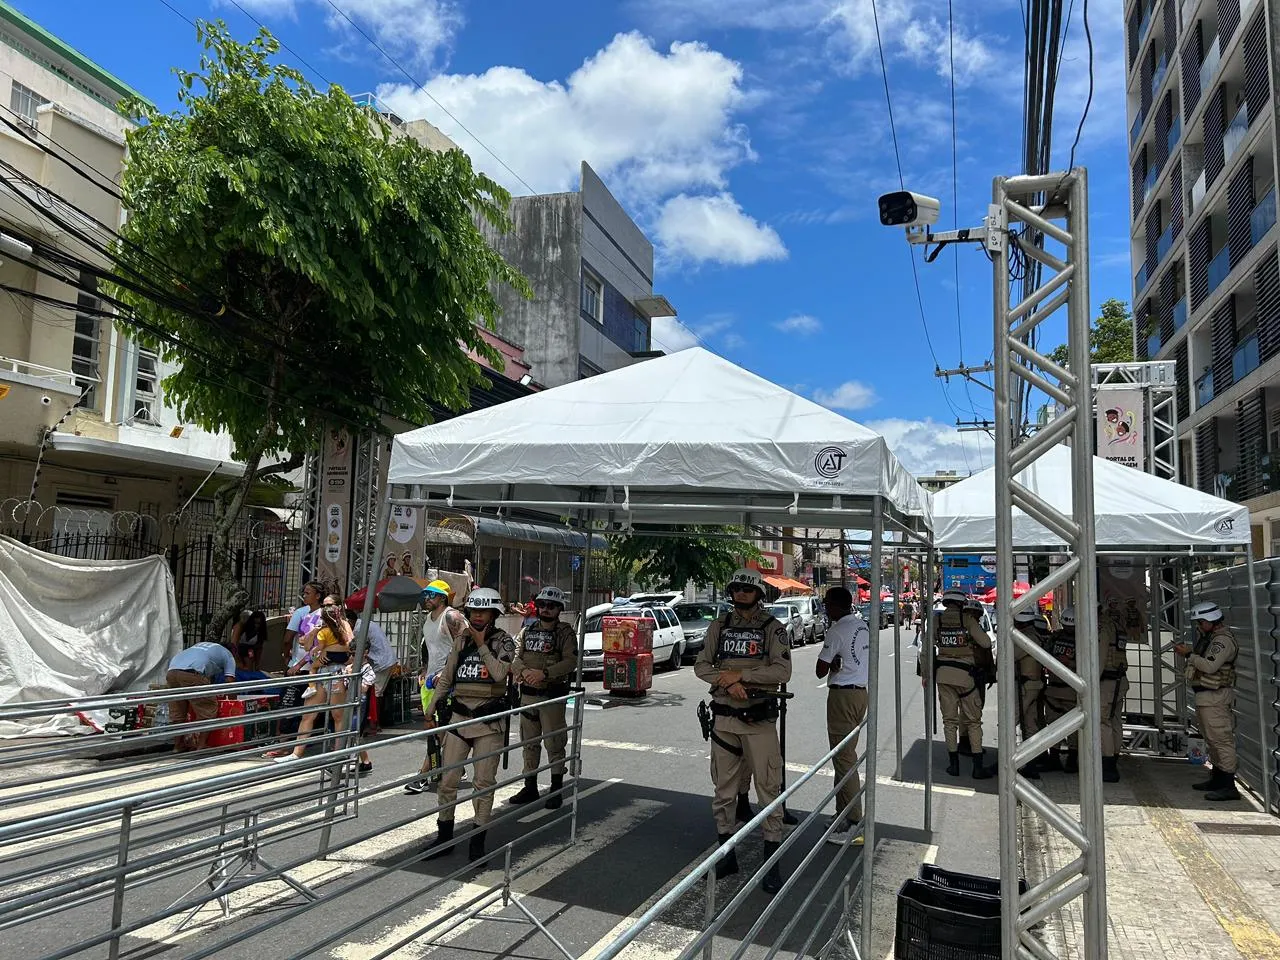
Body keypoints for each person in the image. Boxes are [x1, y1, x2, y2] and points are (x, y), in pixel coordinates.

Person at [694, 567, 792, 895]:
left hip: (758, 722)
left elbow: (782, 670)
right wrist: (726, 682)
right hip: (724, 719)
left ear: (758, 594)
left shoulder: (773, 628)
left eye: (747, 590)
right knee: (723, 791)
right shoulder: (719, 626)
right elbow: (701, 665)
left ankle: (771, 862)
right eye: (736, 589)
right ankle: (727, 855)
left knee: (768, 790)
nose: (741, 594)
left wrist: (742, 677)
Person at [422, 588, 516, 863]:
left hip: (489, 723)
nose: (477, 616)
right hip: (459, 719)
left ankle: (478, 842)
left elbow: (499, 674)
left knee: (483, 783)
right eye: (473, 611)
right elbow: (447, 677)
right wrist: (430, 709)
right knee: (447, 780)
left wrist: (481, 644)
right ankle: (444, 837)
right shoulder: (461, 640)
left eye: (483, 611)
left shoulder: (504, 641)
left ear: (494, 614)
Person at [508, 585, 578, 810]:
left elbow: (570, 661)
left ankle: (556, 789)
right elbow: (514, 656)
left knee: (554, 743)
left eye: (551, 606)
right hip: (528, 695)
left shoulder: (565, 633)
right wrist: (524, 671)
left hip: (551, 696)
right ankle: (530, 786)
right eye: (542, 604)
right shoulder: (527, 631)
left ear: (559, 609)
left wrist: (545, 673)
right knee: (529, 743)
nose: (546, 609)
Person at [270, 596, 354, 763]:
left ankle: (341, 753)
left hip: (335, 672)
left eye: (330, 605)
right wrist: (315, 632)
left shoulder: (343, 624)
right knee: (308, 714)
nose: (326, 608)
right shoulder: (319, 625)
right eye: (324, 605)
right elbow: (307, 646)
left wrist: (328, 651)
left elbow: (350, 646)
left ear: (338, 607)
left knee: (338, 715)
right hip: (320, 672)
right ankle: (296, 753)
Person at [815, 586, 867, 846]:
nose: (825, 609)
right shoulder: (862, 626)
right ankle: (843, 814)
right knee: (842, 756)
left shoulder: (836, 631)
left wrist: (833, 661)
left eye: (827, 604)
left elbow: (819, 669)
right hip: (860, 694)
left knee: (844, 759)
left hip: (842, 696)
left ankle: (855, 822)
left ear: (836, 606)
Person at [405, 580, 469, 794]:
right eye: (425, 595)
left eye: (431, 595)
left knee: (438, 730)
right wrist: (425, 670)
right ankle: (456, 766)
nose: (427, 598)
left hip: (449, 682)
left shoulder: (452, 617)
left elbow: (466, 647)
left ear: (442, 597)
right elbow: (428, 647)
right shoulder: (428, 619)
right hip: (431, 682)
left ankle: (423, 775)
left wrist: (447, 673)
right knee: (435, 727)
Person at [1175, 602, 1241, 801]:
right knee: (1212, 740)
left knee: (1221, 741)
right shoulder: (1212, 639)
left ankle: (1228, 785)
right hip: (1207, 697)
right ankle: (1218, 779)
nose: (1199, 626)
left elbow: (1210, 666)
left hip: (1215, 698)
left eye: (1201, 622)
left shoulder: (1222, 641)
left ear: (1211, 621)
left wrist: (1189, 654)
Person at [933, 589, 993, 779]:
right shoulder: (967, 620)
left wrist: (926, 674)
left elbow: (927, 648)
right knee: (973, 721)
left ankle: (954, 765)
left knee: (949, 722)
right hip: (966, 677)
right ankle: (977, 767)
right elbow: (986, 643)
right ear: (961, 603)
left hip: (943, 675)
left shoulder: (937, 621)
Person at [349, 609, 398, 776]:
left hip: (381, 662)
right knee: (355, 733)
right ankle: (365, 760)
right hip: (382, 660)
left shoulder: (358, 629)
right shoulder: (364, 625)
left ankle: (374, 724)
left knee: (375, 694)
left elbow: (365, 688)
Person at [166, 640, 237, 752]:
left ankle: (178, 746)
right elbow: (230, 681)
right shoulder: (228, 655)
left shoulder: (204, 646)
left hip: (172, 672)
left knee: (178, 710)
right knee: (208, 708)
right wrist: (234, 702)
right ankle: (201, 745)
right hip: (192, 673)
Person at [1041, 607, 1079, 772]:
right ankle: (1057, 758)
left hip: (1069, 687)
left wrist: (1068, 662)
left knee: (1068, 725)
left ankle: (1070, 758)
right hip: (1059, 687)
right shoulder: (1057, 637)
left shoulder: (1080, 639)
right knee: (1056, 723)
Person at [1012, 609, 1046, 780]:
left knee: (1011, 720)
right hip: (1031, 684)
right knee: (1030, 724)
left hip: (1026, 686)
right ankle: (1031, 763)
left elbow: (1011, 655)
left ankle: (1009, 760)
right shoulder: (1034, 634)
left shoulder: (1027, 637)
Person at [1098, 604, 1128, 783]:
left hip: (1107, 682)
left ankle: (1108, 765)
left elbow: (1101, 657)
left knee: (1103, 722)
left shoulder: (1103, 628)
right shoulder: (1117, 626)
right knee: (1115, 721)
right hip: (1120, 681)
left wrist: (1092, 679)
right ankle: (1114, 759)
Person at [285, 582, 325, 664]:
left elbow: (287, 639)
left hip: (312, 664)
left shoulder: (322, 614)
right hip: (302, 663)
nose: (304, 596)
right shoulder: (306, 614)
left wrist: (286, 657)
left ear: (318, 596)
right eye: (304, 593)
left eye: (307, 593)